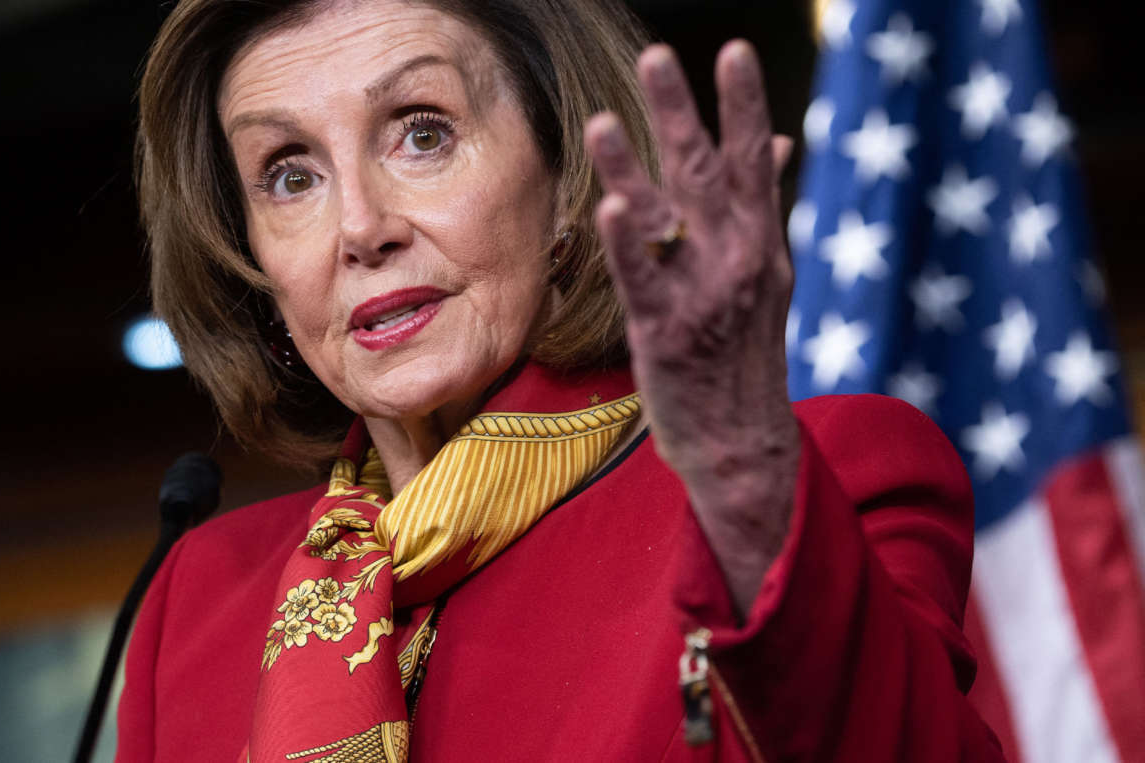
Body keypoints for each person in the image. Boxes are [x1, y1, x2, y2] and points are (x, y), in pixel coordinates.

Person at [117, 0, 1005, 760]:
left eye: (422, 132)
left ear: (567, 176)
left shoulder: (816, 479)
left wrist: (749, 485)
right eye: (290, 174)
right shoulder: (195, 607)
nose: (360, 226)